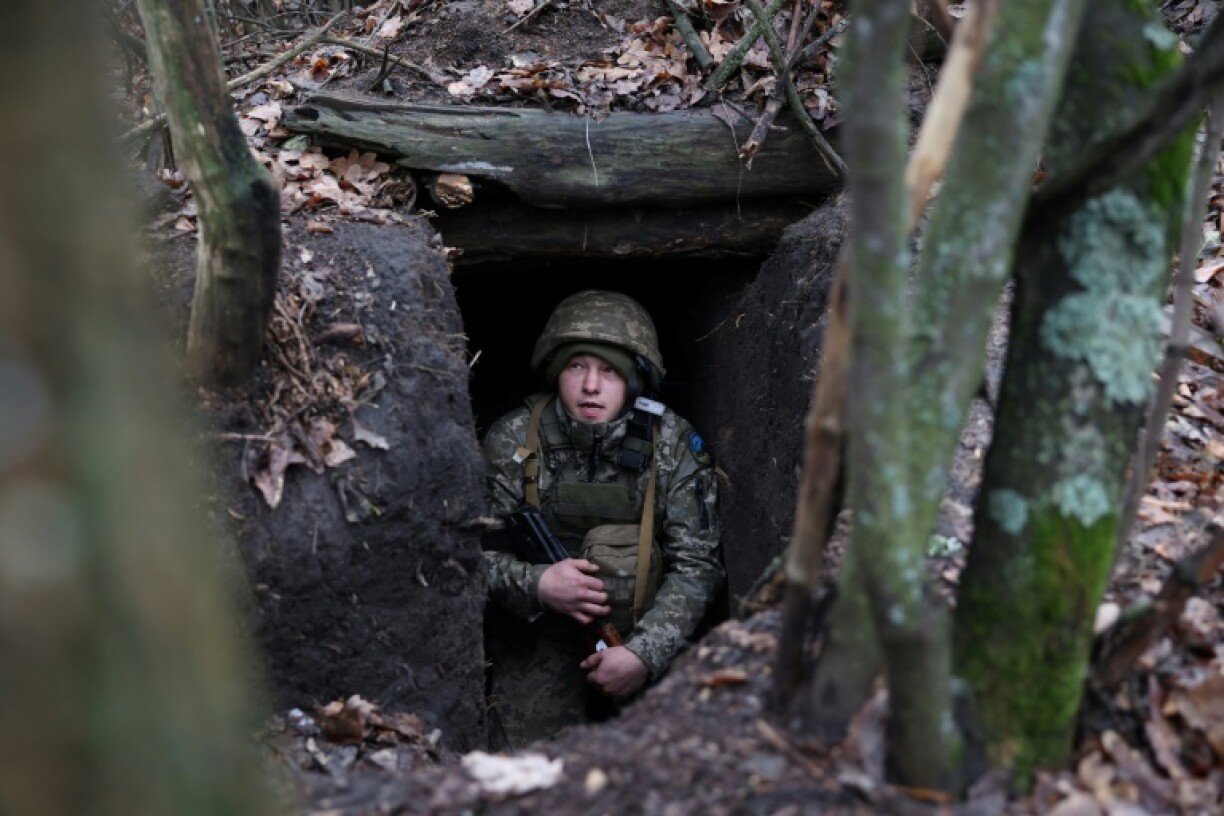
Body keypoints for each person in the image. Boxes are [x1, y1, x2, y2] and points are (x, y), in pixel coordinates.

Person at [481, 290, 724, 748]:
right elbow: (467, 563)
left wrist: (643, 655)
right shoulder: (513, 439)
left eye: (609, 370)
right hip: (539, 634)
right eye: (577, 367)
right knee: (525, 771)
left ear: (634, 380)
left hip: (643, 627)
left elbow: (698, 567)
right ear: (557, 371)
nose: (591, 386)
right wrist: (538, 584)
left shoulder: (671, 443)